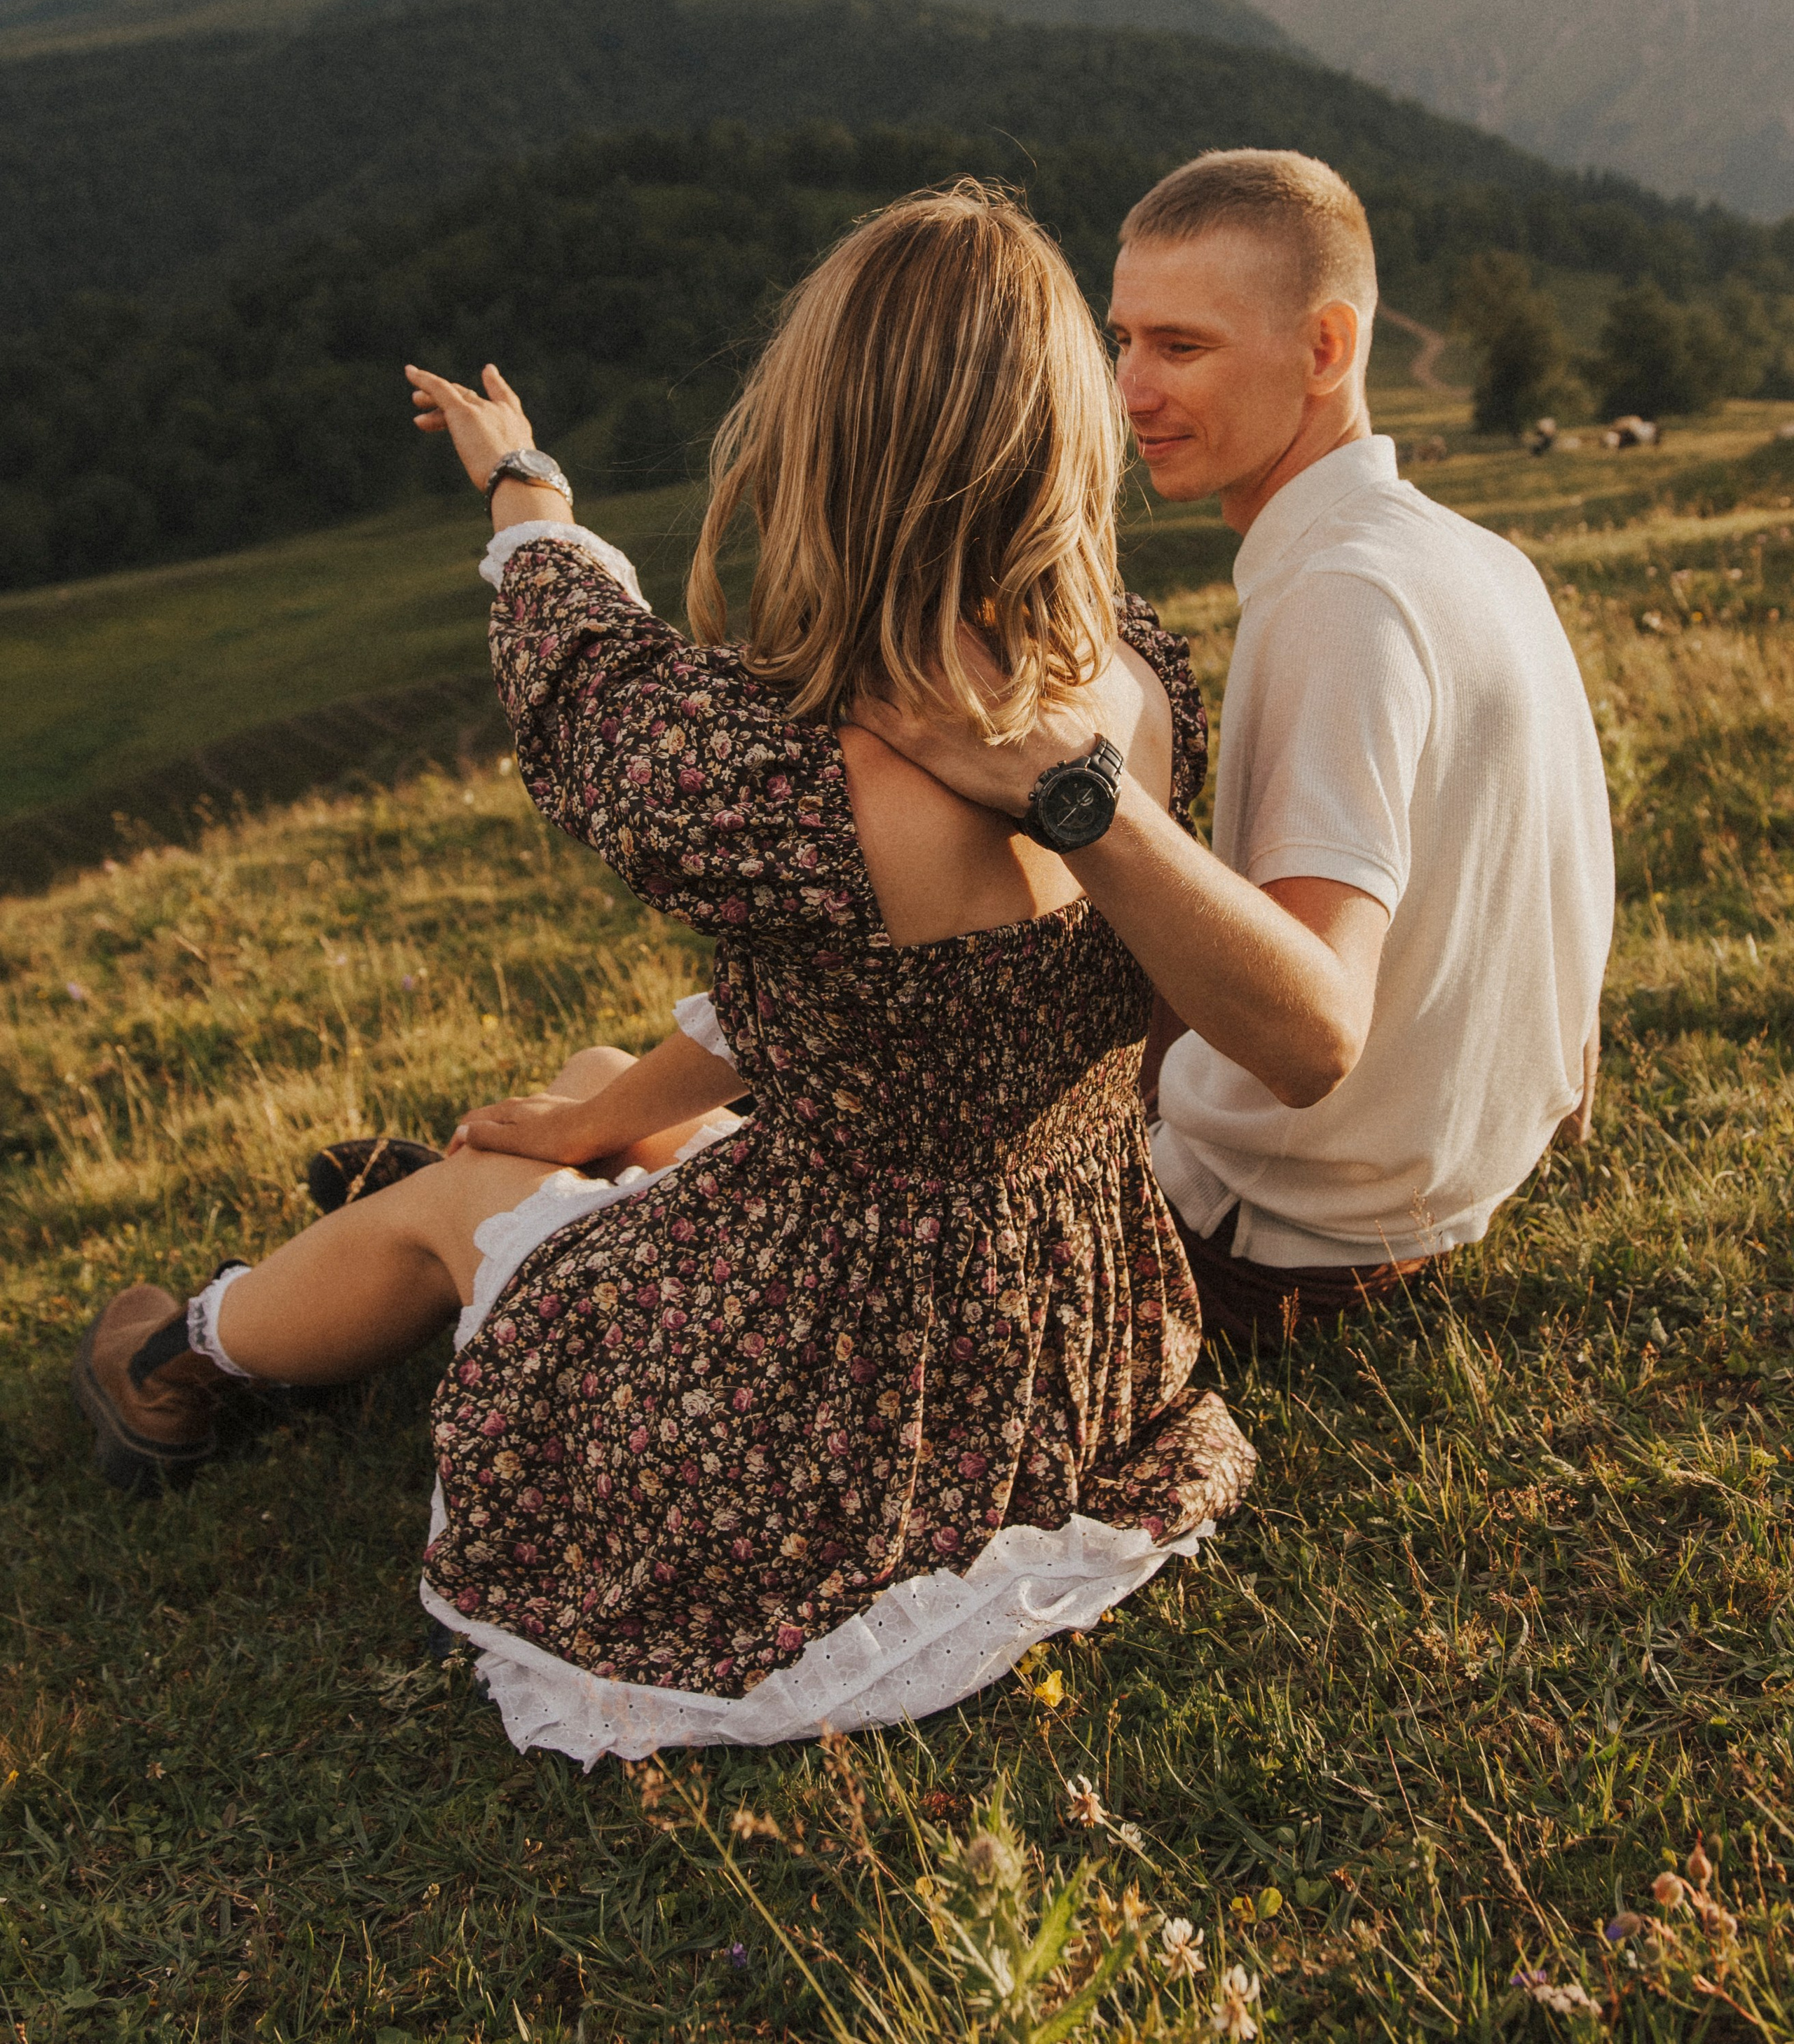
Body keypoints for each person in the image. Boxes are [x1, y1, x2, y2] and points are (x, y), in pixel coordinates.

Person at [74, 181, 1308, 1764]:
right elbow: (901, 1007)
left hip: (835, 1389)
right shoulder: (1133, 679)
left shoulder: (794, 779)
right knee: (588, 1099)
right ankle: (472, 1209)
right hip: (1065, 1327)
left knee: (458, 1207)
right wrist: (603, 1116)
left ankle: (186, 1360)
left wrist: (526, 492)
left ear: (824, 437)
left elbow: (582, 674)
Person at [858, 150, 1615, 1347]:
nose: (1129, 391)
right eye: (1124, 341)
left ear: (1325, 350)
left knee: (769, 1200)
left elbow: (1309, 1039)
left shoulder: (1343, 598)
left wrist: (1066, 790)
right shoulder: (1478, 559)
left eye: (1184, 348)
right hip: (1436, 1198)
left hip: (1270, 1246)